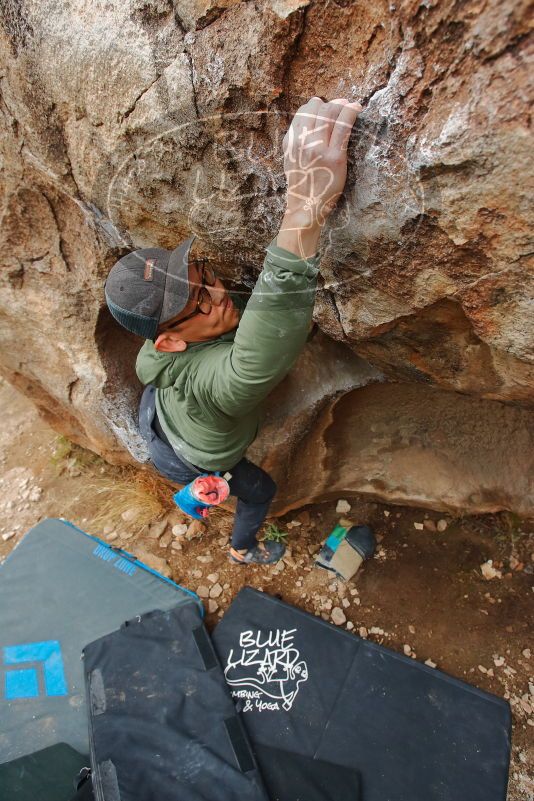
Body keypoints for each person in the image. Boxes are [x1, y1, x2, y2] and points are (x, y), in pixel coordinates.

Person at [104, 96, 362, 565]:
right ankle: (241, 549)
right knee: (261, 490)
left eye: (202, 274)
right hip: (189, 454)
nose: (219, 294)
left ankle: (193, 492)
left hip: (158, 416)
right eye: (199, 300)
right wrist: (305, 205)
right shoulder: (217, 385)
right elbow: (252, 360)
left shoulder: (163, 348)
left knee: (172, 429)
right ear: (169, 342)